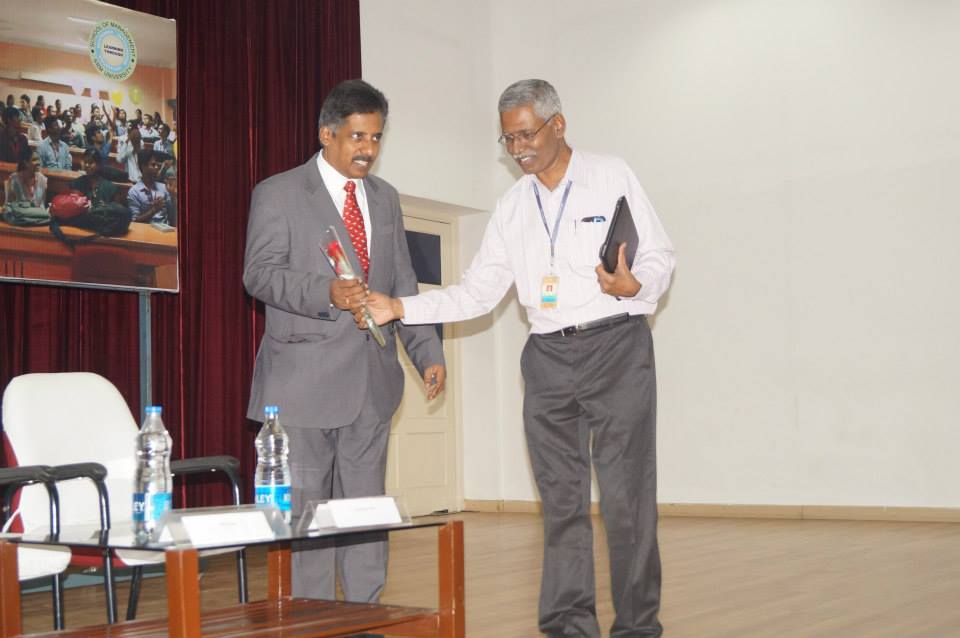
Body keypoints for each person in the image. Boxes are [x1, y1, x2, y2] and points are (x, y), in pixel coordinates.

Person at [360, 79, 675, 638]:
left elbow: (658, 254)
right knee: (561, 503)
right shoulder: (512, 206)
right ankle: (566, 626)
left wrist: (634, 285)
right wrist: (400, 307)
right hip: (547, 357)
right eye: (508, 140)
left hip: (616, 347)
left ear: (558, 124)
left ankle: (638, 627)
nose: (519, 149)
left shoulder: (611, 175)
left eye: (527, 134)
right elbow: (478, 292)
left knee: (626, 501)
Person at [243, 79, 445, 604]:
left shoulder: (385, 199)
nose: (368, 150)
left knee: (365, 511)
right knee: (307, 515)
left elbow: (402, 284)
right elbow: (259, 275)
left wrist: (427, 353)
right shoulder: (279, 193)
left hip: (371, 382)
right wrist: (326, 292)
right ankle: (311, 618)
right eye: (358, 137)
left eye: (376, 138)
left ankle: (363, 614)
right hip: (302, 383)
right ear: (326, 134)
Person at [127, 149, 170, 223]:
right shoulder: (134, 192)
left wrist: (173, 196)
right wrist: (153, 210)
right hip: (145, 231)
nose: (157, 167)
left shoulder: (164, 188)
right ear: (143, 167)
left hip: (165, 230)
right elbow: (135, 221)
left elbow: (172, 216)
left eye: (157, 165)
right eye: (153, 165)